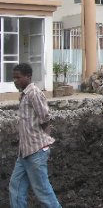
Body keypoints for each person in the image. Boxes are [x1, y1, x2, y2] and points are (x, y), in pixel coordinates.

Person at [9, 63, 61, 208]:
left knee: (43, 191)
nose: (15, 81)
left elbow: (45, 118)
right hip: (24, 152)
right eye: (13, 78)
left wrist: (44, 142)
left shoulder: (34, 93)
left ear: (28, 77)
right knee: (16, 187)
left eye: (18, 77)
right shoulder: (24, 95)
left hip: (36, 151)